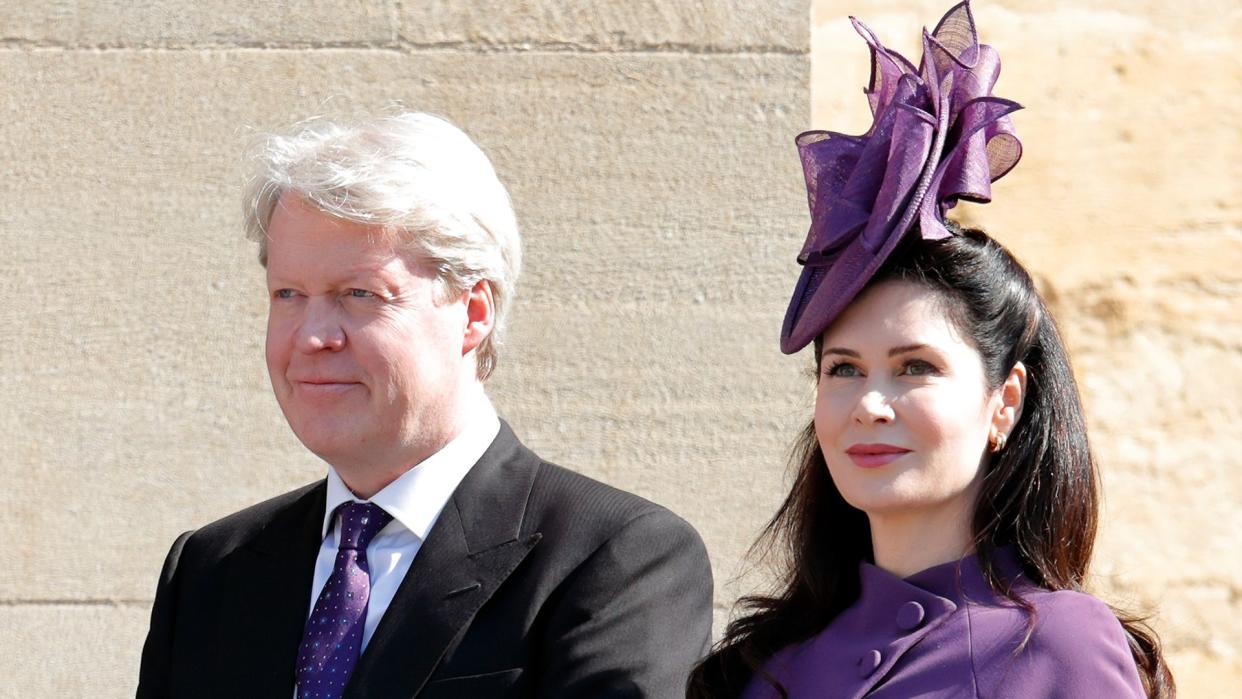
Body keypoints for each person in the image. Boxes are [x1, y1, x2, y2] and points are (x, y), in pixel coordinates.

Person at [137, 111, 713, 698]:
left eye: (358, 294)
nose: (312, 335)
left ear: (473, 312)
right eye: (289, 294)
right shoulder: (211, 570)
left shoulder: (615, 559)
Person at [688, 3, 1174, 697]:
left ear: (1004, 401)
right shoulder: (761, 666)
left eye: (915, 366)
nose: (870, 404)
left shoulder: (1058, 645)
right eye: (843, 369)